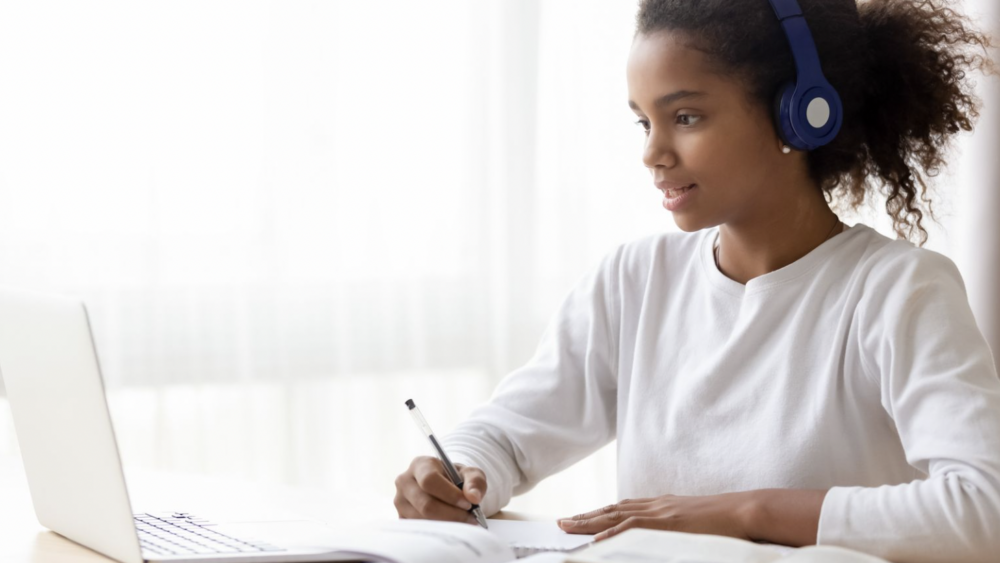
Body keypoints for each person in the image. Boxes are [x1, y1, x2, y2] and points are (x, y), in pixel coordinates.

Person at [393, 0, 1000, 561]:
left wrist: (744, 512)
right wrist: (459, 470)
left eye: (685, 116)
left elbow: (984, 508)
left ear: (801, 115)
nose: (653, 153)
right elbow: (509, 436)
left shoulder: (898, 290)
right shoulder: (634, 281)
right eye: (643, 123)